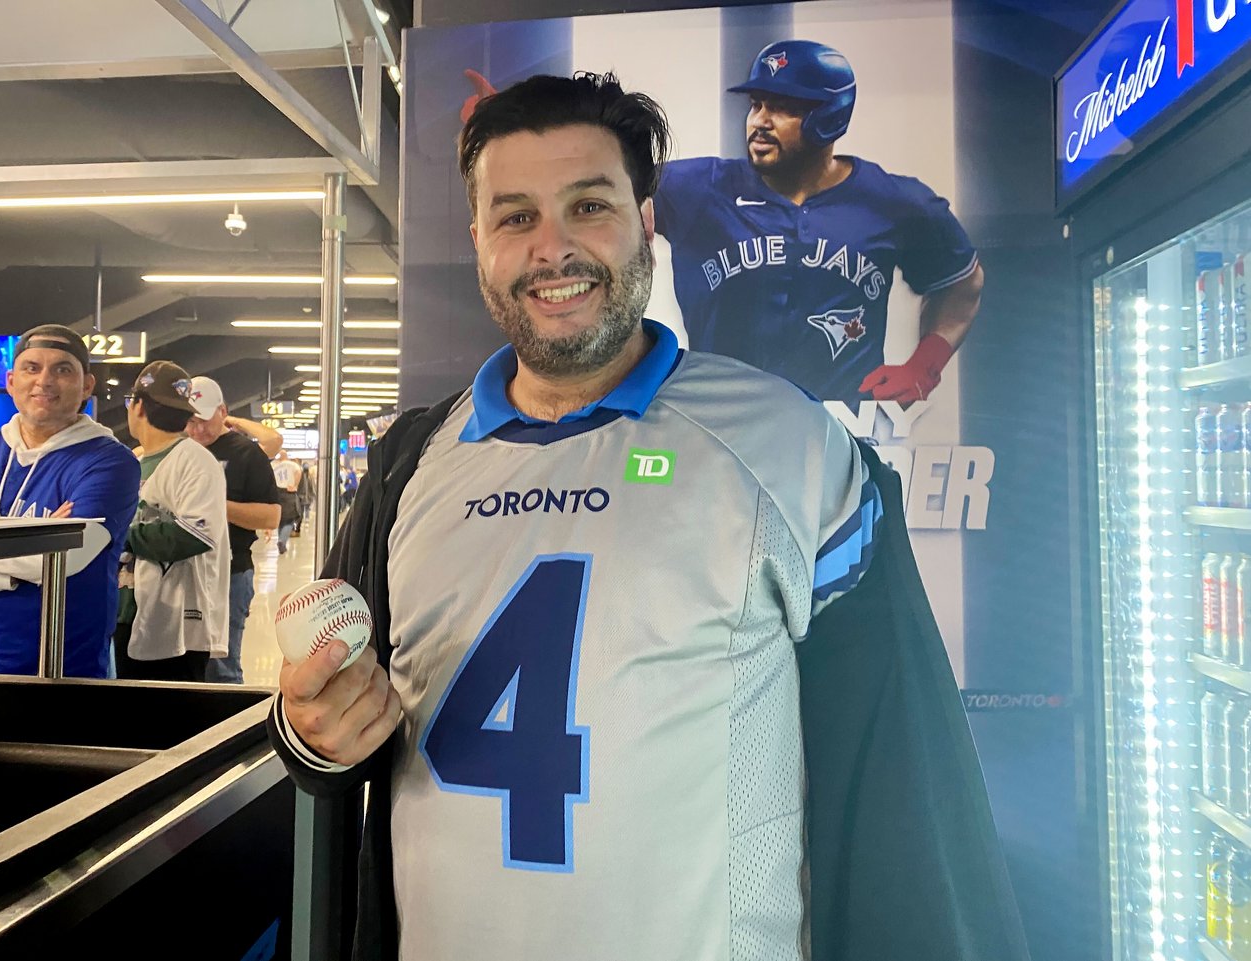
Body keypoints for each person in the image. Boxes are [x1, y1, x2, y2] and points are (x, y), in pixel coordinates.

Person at [270, 73, 1027, 961]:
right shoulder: (409, 462)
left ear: (647, 223)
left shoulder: (792, 447)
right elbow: (334, 712)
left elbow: (902, 790)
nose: (553, 250)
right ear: (478, 240)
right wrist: (311, 733)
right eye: (515, 217)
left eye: (589, 206)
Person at [464, 41, 984, 408]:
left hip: (850, 427)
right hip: (721, 424)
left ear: (831, 115)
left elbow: (962, 284)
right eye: (757, 103)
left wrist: (926, 363)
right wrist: (510, 139)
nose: (759, 119)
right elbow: (595, 195)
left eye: (783, 108)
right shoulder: (699, 187)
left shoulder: (895, 201)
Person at [0, 325, 140, 676]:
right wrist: (31, 548)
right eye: (32, 368)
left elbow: (70, 554)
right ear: (12, 381)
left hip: (61, 665)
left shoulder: (109, 461)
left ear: (87, 386)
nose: (44, 380)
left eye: (62, 370)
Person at [115, 361, 229, 682]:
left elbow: (193, 536)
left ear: (137, 406)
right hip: (130, 613)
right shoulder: (135, 461)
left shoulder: (193, 460)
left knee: (171, 725)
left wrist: (119, 533)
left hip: (178, 627)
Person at [184, 375, 282, 684]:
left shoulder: (246, 454)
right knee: (180, 666)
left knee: (221, 668)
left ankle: (229, 730)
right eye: (190, 420)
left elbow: (270, 517)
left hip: (229, 573)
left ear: (222, 412)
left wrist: (216, 506)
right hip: (178, 573)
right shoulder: (177, 450)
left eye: (205, 419)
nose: (198, 428)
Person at [270, 450, 303, 555]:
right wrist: (295, 485)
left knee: (280, 519)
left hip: (276, 492)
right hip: (289, 492)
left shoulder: (273, 465)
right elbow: (299, 472)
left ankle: (281, 540)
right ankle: (282, 541)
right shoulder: (292, 465)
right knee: (289, 520)